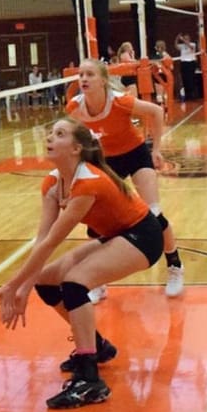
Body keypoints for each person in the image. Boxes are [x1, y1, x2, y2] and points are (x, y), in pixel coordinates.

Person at [0, 118, 164, 409]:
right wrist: (24, 284)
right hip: (118, 235)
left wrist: (13, 285)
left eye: (59, 134)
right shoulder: (51, 183)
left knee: (74, 283)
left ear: (75, 148)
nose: (50, 136)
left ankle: (90, 379)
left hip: (144, 236)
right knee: (46, 281)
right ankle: (97, 347)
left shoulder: (88, 183)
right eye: (50, 132)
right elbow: (41, 240)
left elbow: (51, 243)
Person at [67, 58, 184, 298]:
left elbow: (155, 111)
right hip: (106, 162)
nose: (84, 79)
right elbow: (75, 140)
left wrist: (157, 149)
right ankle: (98, 280)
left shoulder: (120, 102)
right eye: (81, 75)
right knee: (96, 224)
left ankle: (175, 266)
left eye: (89, 75)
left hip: (135, 154)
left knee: (154, 213)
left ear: (102, 80)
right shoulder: (74, 108)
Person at [175, 32, 199, 100]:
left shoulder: (193, 44)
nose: (185, 39)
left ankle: (193, 95)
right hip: (184, 63)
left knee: (191, 79)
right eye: (185, 38)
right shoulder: (182, 46)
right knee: (184, 79)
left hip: (191, 63)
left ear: (189, 39)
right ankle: (187, 95)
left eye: (187, 38)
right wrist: (177, 38)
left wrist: (182, 39)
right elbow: (176, 46)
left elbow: (191, 47)